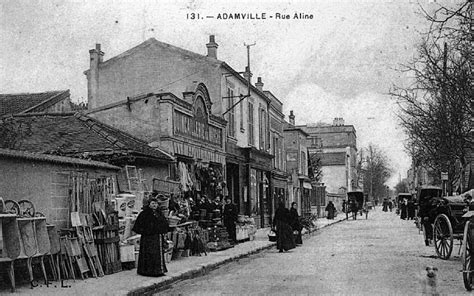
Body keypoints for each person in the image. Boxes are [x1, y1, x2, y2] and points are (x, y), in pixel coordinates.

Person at [132, 196, 170, 277]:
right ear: (149, 204)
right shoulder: (144, 214)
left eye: (156, 203)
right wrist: (146, 231)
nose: (154, 205)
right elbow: (138, 226)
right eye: (153, 203)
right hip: (147, 238)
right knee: (147, 254)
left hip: (157, 237)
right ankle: (147, 271)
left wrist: (163, 231)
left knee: (157, 254)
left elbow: (164, 224)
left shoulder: (159, 213)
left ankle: (158, 271)